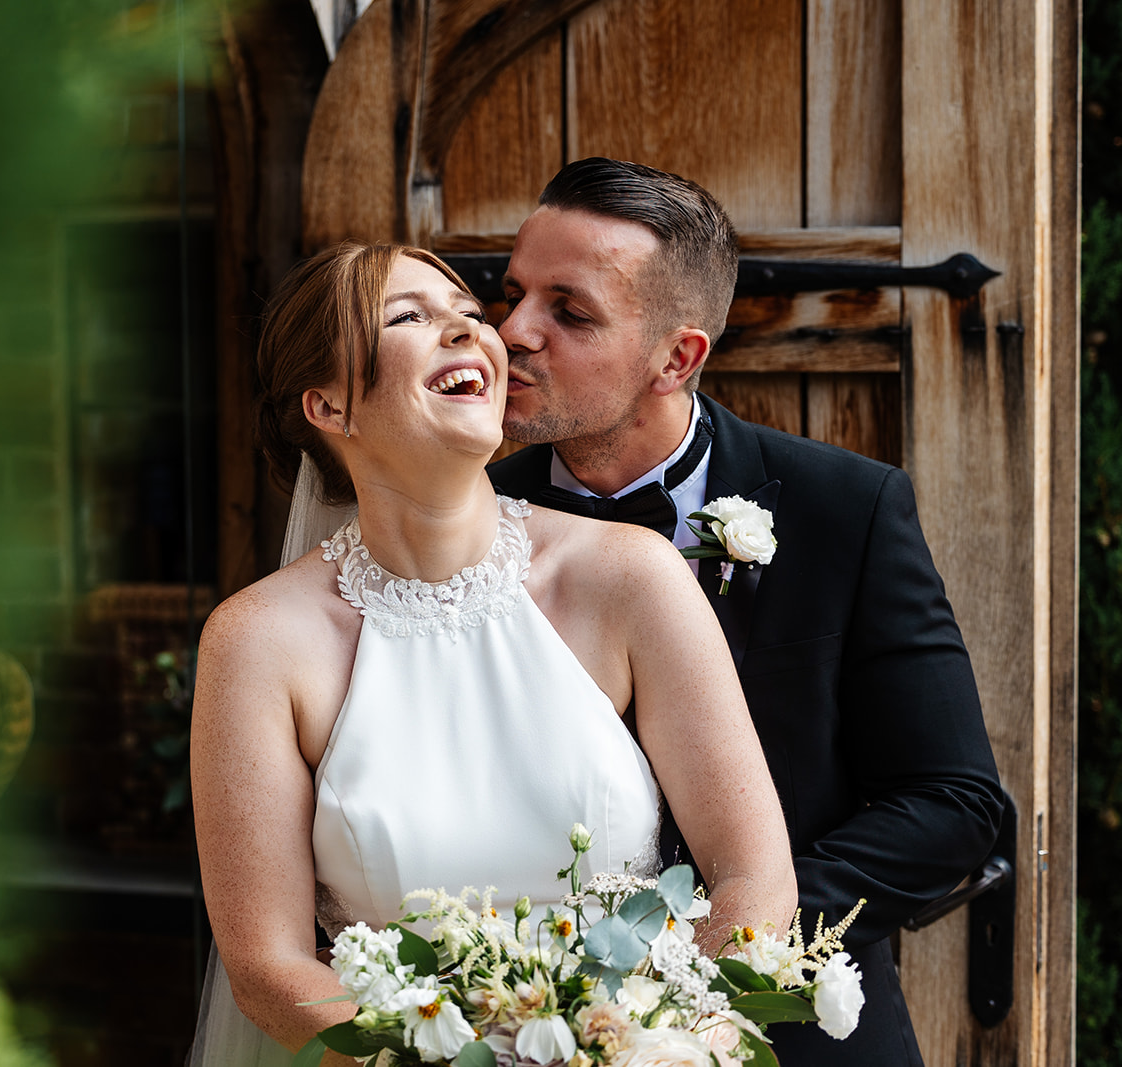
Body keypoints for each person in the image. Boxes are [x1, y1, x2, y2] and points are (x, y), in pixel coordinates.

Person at [189, 241, 796, 1065]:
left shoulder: (629, 577)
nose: (473, 333)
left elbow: (751, 871)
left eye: (471, 315)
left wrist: (674, 1036)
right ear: (329, 408)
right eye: (409, 316)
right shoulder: (256, 642)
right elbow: (266, 965)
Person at [487, 157, 1006, 1067]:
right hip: (525, 1029)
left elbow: (954, 802)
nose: (513, 332)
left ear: (677, 356)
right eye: (513, 292)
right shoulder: (466, 521)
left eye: (569, 311)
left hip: (796, 1036)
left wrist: (720, 935)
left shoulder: (846, 507)